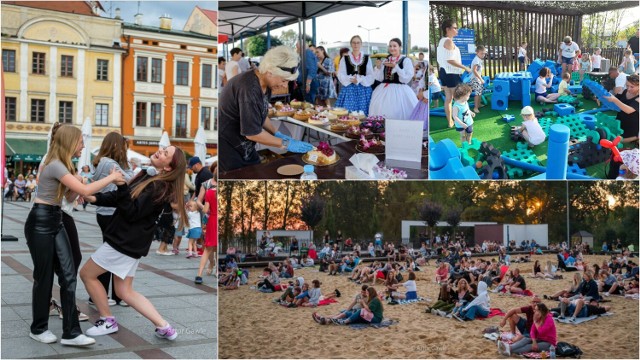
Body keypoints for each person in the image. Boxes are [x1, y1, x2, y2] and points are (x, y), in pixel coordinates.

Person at [25, 124, 124, 346]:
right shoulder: (55, 164)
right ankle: (38, 328)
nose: (82, 146)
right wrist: (111, 178)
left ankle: (71, 332)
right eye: (80, 142)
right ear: (70, 142)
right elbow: (86, 193)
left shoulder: (66, 166)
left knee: (68, 274)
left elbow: (70, 197)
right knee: (44, 277)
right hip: (40, 221)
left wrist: (78, 180)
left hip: (57, 218)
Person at [80, 145, 187, 340]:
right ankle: (164, 327)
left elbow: (131, 211)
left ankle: (107, 320)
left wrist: (120, 185)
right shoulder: (148, 175)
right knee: (124, 291)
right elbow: (122, 198)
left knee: (87, 274)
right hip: (130, 243)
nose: (160, 151)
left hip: (123, 242)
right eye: (163, 148)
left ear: (169, 167)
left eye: (165, 153)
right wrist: (93, 197)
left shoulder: (160, 187)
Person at [219, 46, 313, 173]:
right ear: (270, 72)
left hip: (245, 148)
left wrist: (276, 133)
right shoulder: (249, 89)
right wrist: (285, 144)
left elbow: (261, 114)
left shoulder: (264, 84)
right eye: (284, 80)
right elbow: (252, 133)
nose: (284, 85)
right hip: (230, 151)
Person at [91, 132, 133, 307]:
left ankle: (115, 295)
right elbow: (130, 179)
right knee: (111, 254)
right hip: (109, 212)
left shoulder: (106, 161)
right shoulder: (109, 162)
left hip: (107, 211)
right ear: (116, 145)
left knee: (113, 252)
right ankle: (101, 294)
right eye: (123, 146)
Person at [369, 38, 418, 120]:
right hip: (384, 90)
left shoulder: (406, 60)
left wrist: (396, 67)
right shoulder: (386, 60)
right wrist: (378, 67)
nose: (392, 48)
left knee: (397, 112)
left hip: (400, 90)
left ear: (400, 47)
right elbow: (380, 78)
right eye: (390, 46)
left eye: (395, 46)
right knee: (380, 110)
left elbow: (406, 78)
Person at [437, 19, 472, 127]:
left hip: (443, 72)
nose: (457, 30)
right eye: (455, 28)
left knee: (448, 98)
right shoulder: (449, 41)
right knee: (459, 98)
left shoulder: (442, 41)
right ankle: (461, 120)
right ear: (448, 29)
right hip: (451, 74)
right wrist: (465, 68)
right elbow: (450, 60)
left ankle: (450, 122)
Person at [335, 35, 374, 114]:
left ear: (361, 44)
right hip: (349, 89)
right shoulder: (345, 58)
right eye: (354, 43)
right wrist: (350, 79)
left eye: (358, 43)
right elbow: (341, 73)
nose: (356, 45)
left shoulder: (366, 58)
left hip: (364, 90)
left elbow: (370, 75)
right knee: (348, 113)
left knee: (363, 113)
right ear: (351, 44)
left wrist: (360, 79)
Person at [196, 164, 217, 284]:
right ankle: (213, 265)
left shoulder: (209, 192)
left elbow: (204, 210)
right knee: (214, 247)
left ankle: (199, 274)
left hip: (212, 220)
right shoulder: (207, 186)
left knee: (208, 248)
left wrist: (207, 209)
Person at [603, 74, 638, 144]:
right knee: (610, 134)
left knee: (616, 141)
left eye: (632, 87)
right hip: (620, 121)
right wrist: (602, 97)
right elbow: (614, 100)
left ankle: (636, 137)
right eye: (627, 85)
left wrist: (615, 100)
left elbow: (629, 110)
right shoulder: (625, 91)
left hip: (632, 125)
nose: (629, 89)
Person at [469, 45, 487, 113]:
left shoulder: (479, 59)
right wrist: (481, 79)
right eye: (482, 53)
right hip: (475, 79)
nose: (483, 55)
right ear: (477, 52)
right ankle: (475, 108)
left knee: (480, 92)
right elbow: (474, 70)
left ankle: (478, 104)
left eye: (484, 53)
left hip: (477, 79)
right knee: (477, 93)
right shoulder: (476, 59)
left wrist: (480, 78)